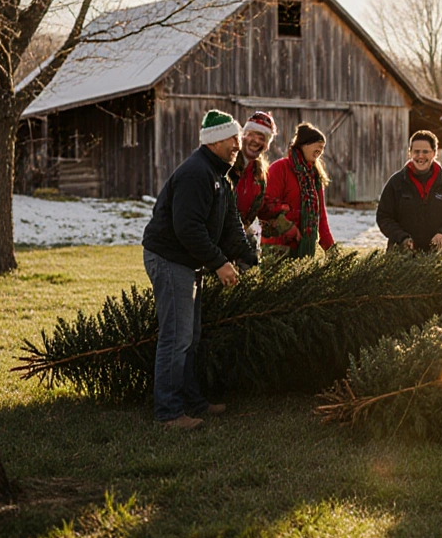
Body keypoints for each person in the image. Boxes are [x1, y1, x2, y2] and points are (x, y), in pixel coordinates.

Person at [141, 109, 258, 430]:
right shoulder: (197, 173)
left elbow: (231, 225)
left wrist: (250, 259)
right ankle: (167, 413)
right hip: (170, 259)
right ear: (215, 140)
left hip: (187, 260)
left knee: (189, 338)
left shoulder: (219, 175)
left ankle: (193, 402)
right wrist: (219, 263)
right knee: (175, 338)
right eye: (233, 138)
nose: (239, 143)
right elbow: (188, 228)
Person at [376, 130, 442, 253]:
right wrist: (401, 238)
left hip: (437, 257)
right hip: (400, 258)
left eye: (425, 152)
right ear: (410, 153)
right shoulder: (396, 182)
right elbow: (384, 217)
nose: (420, 156)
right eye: (416, 151)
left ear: (434, 153)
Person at [259, 122, 335, 257]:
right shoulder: (280, 169)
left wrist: (331, 249)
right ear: (303, 145)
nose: (321, 148)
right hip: (277, 248)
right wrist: (289, 229)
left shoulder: (315, 177)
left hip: (303, 251)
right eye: (317, 144)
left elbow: (321, 217)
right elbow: (266, 207)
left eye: (322, 146)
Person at [233, 111, 277, 233]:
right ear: (244, 135)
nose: (256, 141)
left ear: (266, 145)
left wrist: (286, 223)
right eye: (253, 135)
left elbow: (261, 209)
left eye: (262, 138)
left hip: (240, 235)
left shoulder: (260, 173)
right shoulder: (228, 164)